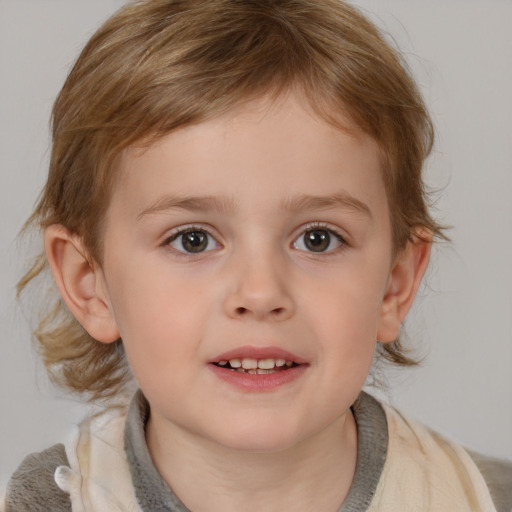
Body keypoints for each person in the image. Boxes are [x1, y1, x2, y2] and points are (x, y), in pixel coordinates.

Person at [2, 0, 511, 510]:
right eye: (192, 239)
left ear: (395, 284)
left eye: (318, 239)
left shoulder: (480, 496)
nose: (261, 293)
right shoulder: (52, 500)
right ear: (90, 282)